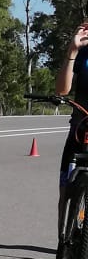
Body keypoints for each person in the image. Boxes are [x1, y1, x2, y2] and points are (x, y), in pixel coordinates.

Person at [53, 19, 88, 243]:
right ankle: (63, 248)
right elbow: (62, 90)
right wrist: (72, 51)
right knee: (65, 191)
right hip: (80, 128)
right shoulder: (82, 50)